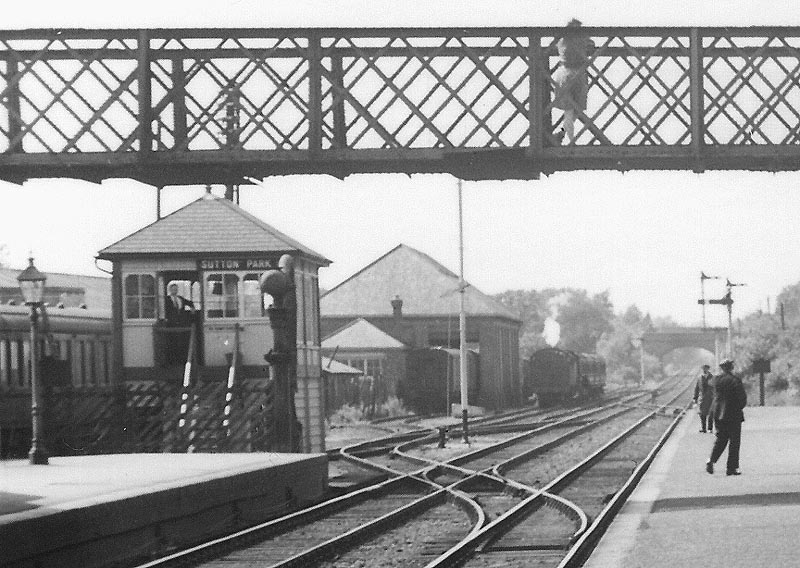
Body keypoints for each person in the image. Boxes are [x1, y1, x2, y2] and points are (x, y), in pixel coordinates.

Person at [552, 18, 593, 144]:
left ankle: (564, 134)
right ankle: (570, 140)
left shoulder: (562, 39)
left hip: (564, 73)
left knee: (570, 110)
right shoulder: (581, 38)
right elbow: (591, 44)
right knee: (574, 110)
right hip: (577, 74)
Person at [705, 359, 747, 476]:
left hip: (718, 413)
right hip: (733, 414)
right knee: (734, 441)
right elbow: (742, 398)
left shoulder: (715, 380)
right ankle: (731, 468)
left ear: (722, 368)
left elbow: (712, 391)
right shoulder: (735, 380)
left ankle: (711, 460)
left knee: (721, 438)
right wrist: (739, 407)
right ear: (731, 367)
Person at [164, 283, 195, 365]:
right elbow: (163, 310)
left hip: (181, 323)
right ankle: (171, 361)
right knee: (172, 342)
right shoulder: (166, 299)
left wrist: (192, 309)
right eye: (173, 289)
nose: (175, 290)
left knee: (181, 342)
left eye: (176, 289)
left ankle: (181, 360)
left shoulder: (180, 298)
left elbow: (190, 303)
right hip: (171, 324)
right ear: (170, 290)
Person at [693, 364, 714, 433]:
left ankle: (710, 428)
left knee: (710, 413)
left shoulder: (712, 377)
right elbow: (697, 388)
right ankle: (703, 428)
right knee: (702, 414)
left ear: (708, 369)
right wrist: (695, 398)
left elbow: (715, 387)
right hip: (702, 398)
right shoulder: (699, 377)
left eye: (706, 368)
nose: (704, 370)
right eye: (703, 369)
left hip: (710, 398)